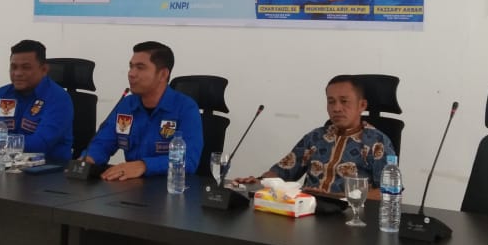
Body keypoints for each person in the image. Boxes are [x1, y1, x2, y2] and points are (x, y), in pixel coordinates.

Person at [239, 75, 395, 200]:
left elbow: (389, 192)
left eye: (344, 101)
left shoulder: (378, 143)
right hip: (308, 212)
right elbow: (282, 172)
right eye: (331, 102)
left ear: (362, 105)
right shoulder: (316, 137)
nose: (336, 108)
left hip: (351, 217)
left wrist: (339, 197)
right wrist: (258, 181)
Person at [82, 41, 203, 180]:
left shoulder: (186, 108)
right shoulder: (127, 105)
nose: (131, 74)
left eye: (140, 68)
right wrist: (88, 160)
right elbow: (103, 143)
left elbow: (189, 160)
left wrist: (144, 165)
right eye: (131, 67)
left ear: (163, 74)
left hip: (169, 186)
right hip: (130, 186)